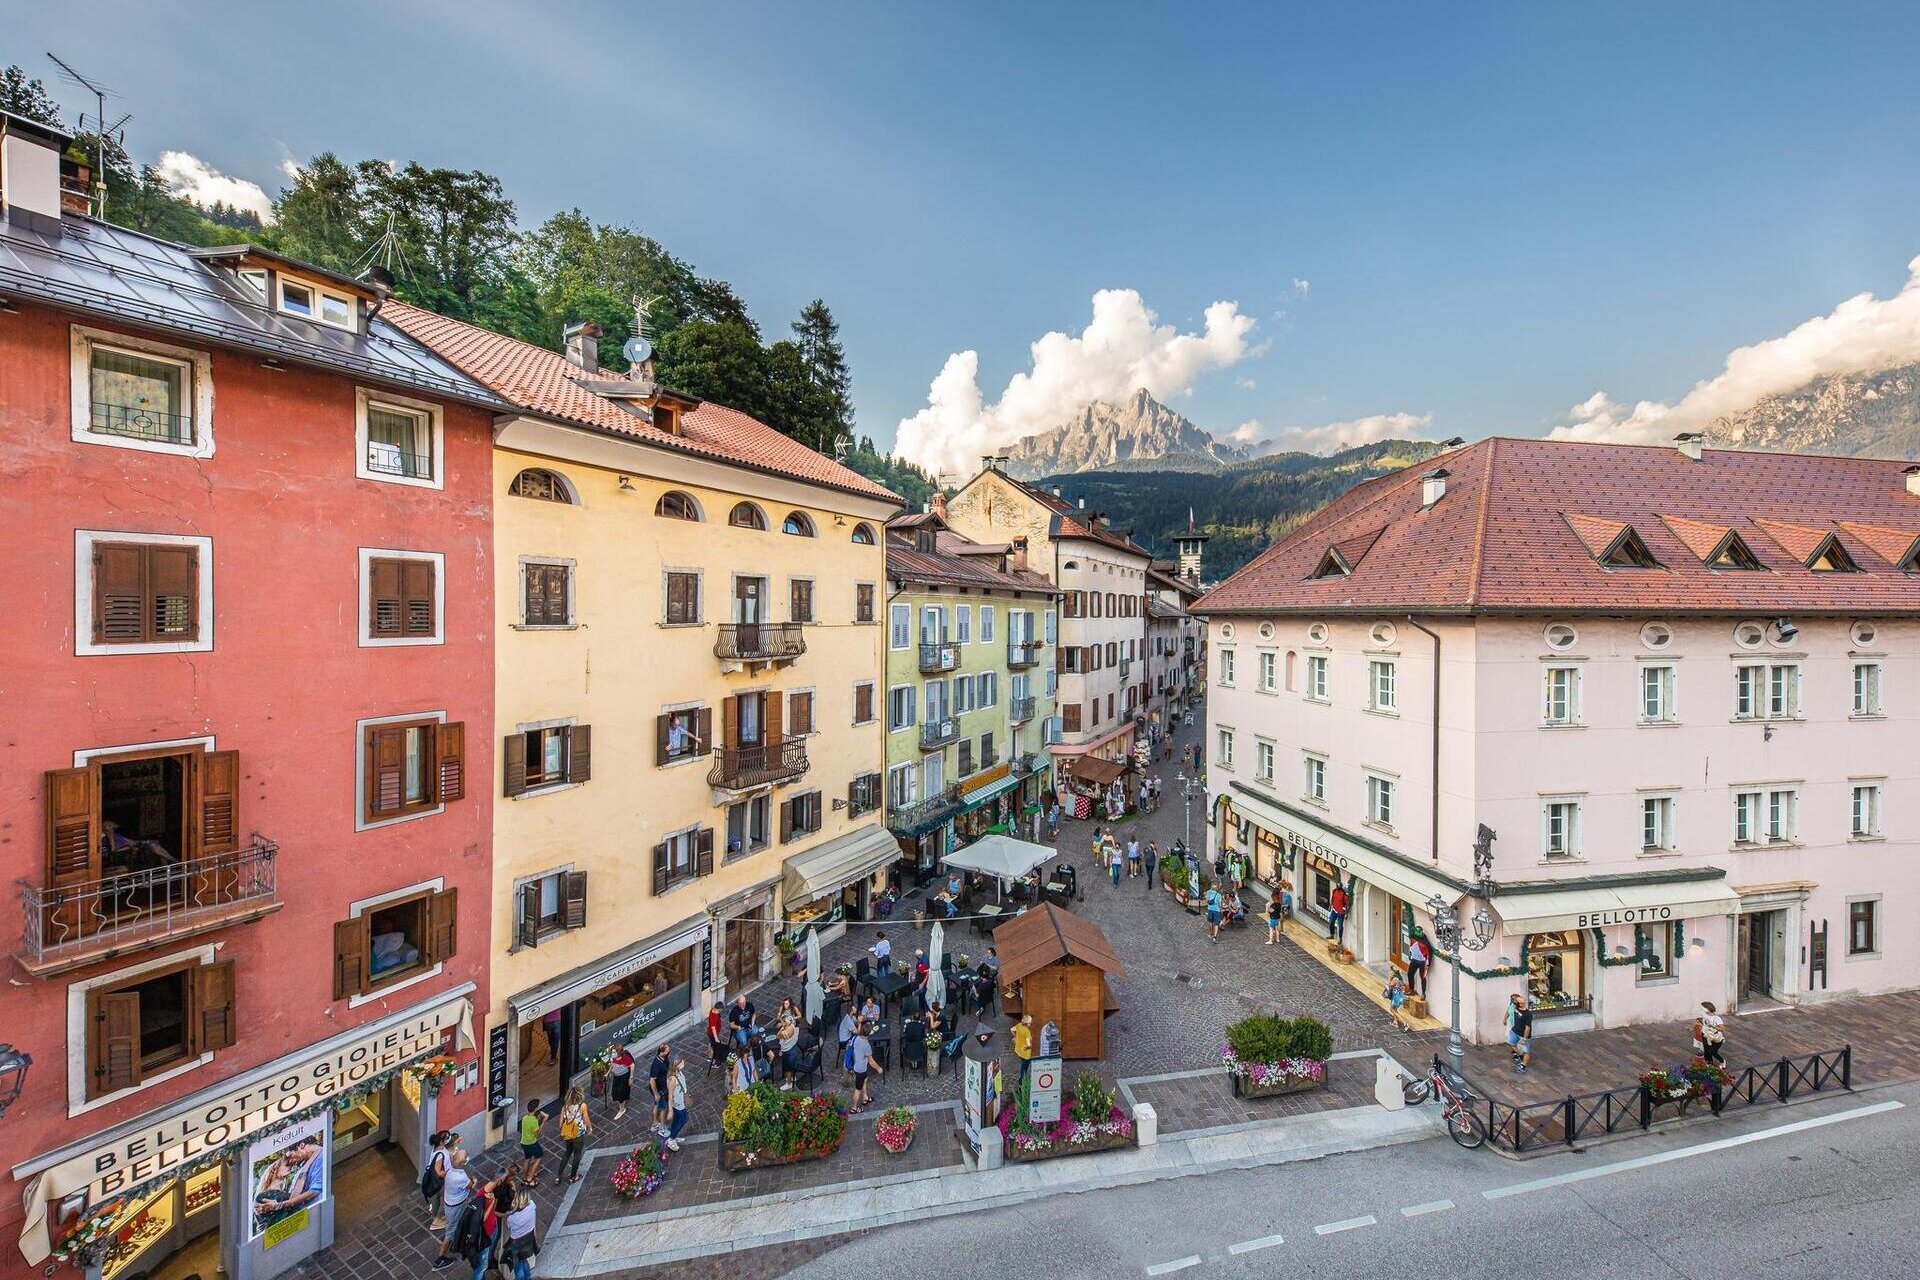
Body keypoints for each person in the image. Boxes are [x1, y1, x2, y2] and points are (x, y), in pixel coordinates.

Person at [431, 1148, 474, 1269]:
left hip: (449, 1203)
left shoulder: (450, 1171)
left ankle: (456, 1240)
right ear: (462, 1163)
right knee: (449, 1232)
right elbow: (470, 1186)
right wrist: (474, 1181)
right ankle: (440, 1259)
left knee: (454, 1225)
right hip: (455, 1206)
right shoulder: (461, 1178)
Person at [500, 1189, 539, 1280]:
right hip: (529, 1238)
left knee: (518, 1266)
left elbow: (510, 1229)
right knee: (524, 1260)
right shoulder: (532, 1205)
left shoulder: (511, 1217)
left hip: (516, 1242)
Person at [557, 1085, 592, 1184]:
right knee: (577, 1154)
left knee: (567, 1152)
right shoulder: (582, 1106)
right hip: (578, 1134)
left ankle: (558, 1176)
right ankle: (573, 1176)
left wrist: (563, 1131)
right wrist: (590, 1128)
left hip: (567, 1135)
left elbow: (560, 1123)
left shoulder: (565, 1107)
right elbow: (586, 1119)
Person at [849, 1019, 883, 1111]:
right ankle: (854, 1108)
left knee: (865, 1079)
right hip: (860, 1069)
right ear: (868, 1034)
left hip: (857, 1066)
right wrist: (879, 1068)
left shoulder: (856, 1038)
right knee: (857, 1089)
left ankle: (865, 1098)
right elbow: (871, 1061)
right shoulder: (866, 1045)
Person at [423, 1130, 453, 1227]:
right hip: (438, 1182)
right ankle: (436, 1220)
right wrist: (448, 1174)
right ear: (441, 1142)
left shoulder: (438, 1148)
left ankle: (437, 1217)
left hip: (436, 1182)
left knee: (438, 1199)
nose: (449, 1139)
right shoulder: (440, 1154)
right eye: (446, 1138)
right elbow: (438, 1171)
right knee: (444, 1199)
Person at [517, 1102, 546, 1185]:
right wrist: (543, 1122)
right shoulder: (534, 1121)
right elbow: (537, 1135)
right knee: (539, 1157)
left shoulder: (524, 1118)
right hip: (531, 1143)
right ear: (536, 1109)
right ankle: (530, 1178)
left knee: (527, 1159)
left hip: (524, 1142)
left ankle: (524, 1177)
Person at [648, 1044, 673, 1135]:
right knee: (663, 1108)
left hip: (663, 1086)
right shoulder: (656, 1064)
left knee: (657, 1105)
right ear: (661, 1052)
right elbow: (652, 1080)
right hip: (659, 1090)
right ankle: (662, 1128)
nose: (669, 1052)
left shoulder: (665, 1058)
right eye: (667, 1051)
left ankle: (655, 1124)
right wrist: (656, 1094)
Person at [1506, 993, 1534, 1074]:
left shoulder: (1528, 1014)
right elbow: (1509, 1009)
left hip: (1523, 1035)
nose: (1521, 1004)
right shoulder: (1515, 1007)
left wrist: (1524, 1038)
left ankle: (1523, 1066)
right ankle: (1520, 1054)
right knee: (1510, 1043)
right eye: (1518, 1003)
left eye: (1522, 1003)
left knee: (1526, 1051)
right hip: (1514, 1031)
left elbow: (1527, 1028)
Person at [666, 1058, 691, 1149]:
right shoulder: (672, 1079)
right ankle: (671, 1139)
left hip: (680, 1100)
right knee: (683, 1119)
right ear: (676, 1066)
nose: (683, 1063)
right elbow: (670, 1095)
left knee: (677, 1120)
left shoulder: (679, 1072)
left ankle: (673, 1136)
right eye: (681, 1062)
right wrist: (670, 1110)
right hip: (677, 1103)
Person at [608, 1043, 635, 1121]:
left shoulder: (625, 1058)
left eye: (614, 1052)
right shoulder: (614, 1058)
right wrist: (608, 1072)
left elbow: (632, 1065)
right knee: (615, 1091)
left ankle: (622, 1109)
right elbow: (612, 1064)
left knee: (621, 1092)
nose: (612, 1054)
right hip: (617, 1076)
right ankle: (621, 1104)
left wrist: (631, 1077)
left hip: (624, 1077)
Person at [777, 1017, 802, 1089]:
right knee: (792, 1064)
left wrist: (782, 1028)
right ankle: (792, 1078)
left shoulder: (786, 1032)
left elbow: (777, 1036)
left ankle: (789, 1083)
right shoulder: (795, 1028)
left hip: (787, 1051)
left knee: (788, 1068)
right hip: (793, 1049)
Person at [1406, 928, 1431, 997]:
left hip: (1422, 962)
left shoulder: (1425, 943)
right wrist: (1410, 955)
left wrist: (1428, 964)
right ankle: (1411, 989)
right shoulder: (1413, 938)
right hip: (1414, 960)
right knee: (1410, 974)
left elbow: (1429, 954)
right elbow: (1411, 947)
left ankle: (1423, 993)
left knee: (1422, 977)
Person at [1012, 1013, 1035, 1084]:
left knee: (1023, 1063)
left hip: (1018, 1050)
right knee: (1024, 1069)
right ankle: (1022, 1082)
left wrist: (1015, 1037)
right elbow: (1028, 1044)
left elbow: (1012, 1030)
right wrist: (1030, 1046)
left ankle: (1022, 1080)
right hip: (1026, 1054)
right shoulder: (1027, 1032)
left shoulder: (1019, 1025)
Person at [706, 999, 728, 1070]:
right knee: (715, 1047)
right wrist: (716, 1038)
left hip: (710, 1032)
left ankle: (709, 1057)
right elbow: (713, 1028)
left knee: (710, 1043)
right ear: (719, 1009)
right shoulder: (715, 1016)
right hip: (713, 1034)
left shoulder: (712, 1010)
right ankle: (714, 1062)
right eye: (720, 1009)